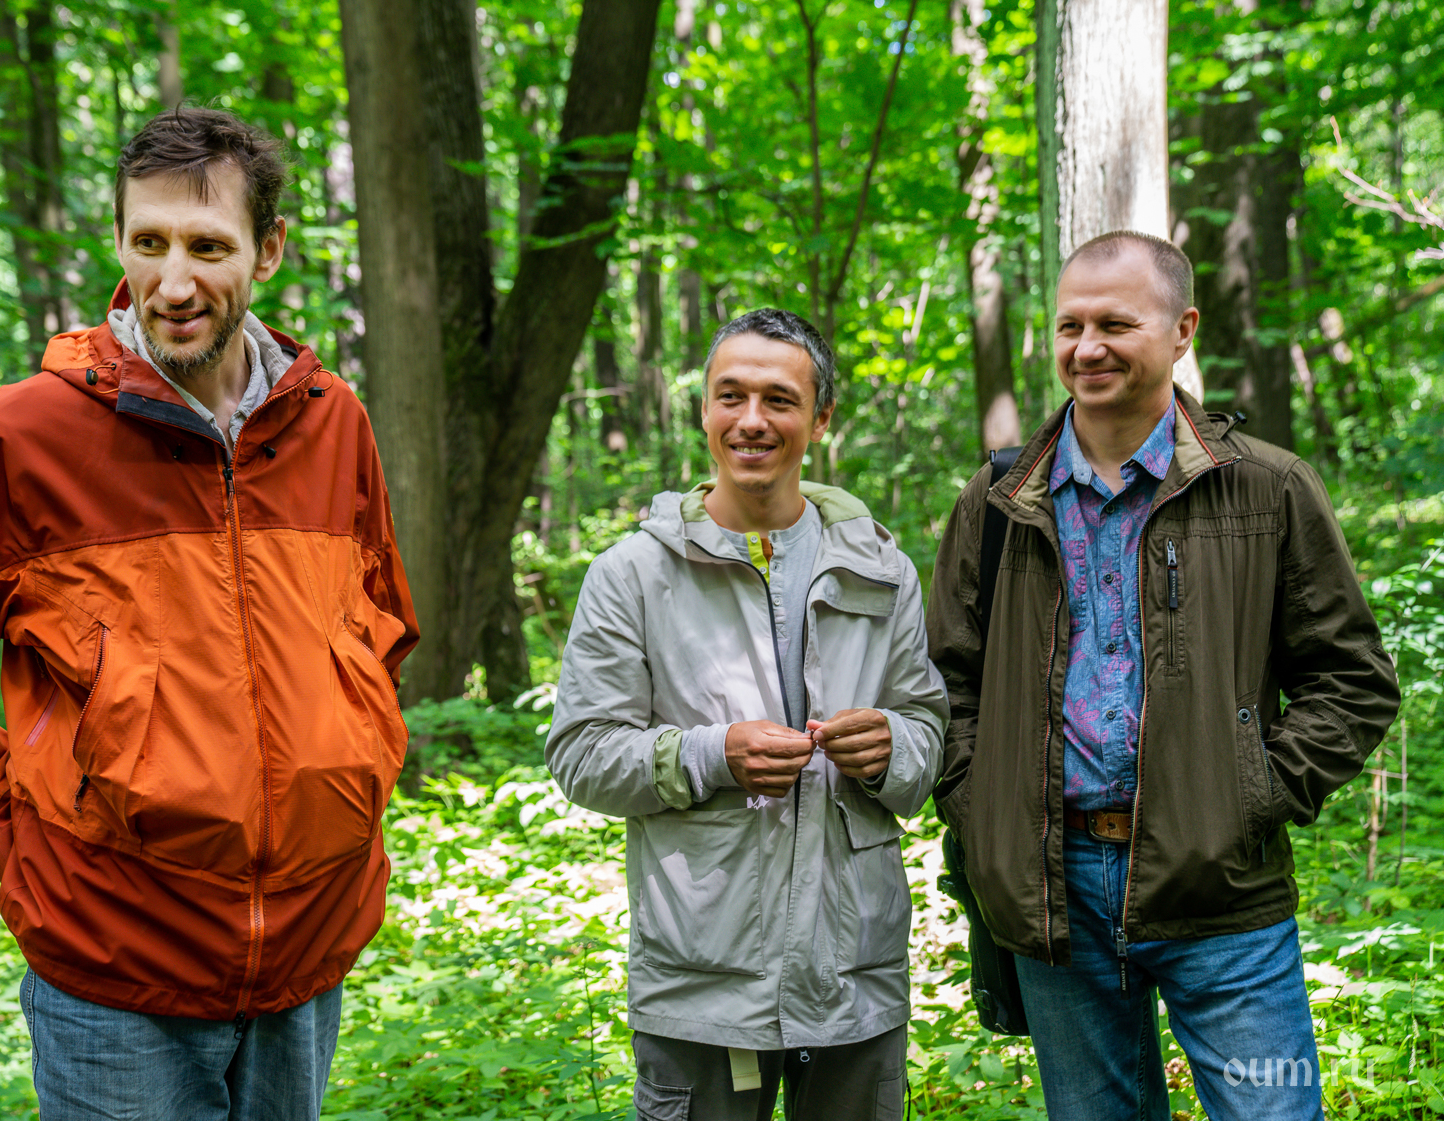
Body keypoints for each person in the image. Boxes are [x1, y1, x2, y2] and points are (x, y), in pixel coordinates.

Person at [0, 107, 418, 1120]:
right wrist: (8, 825)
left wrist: (348, 783)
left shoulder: (334, 423)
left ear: (268, 251)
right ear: (116, 241)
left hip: (307, 953)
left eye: (209, 247)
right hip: (113, 969)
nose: (175, 282)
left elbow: (379, 638)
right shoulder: (25, 435)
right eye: (148, 243)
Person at [928, 230, 1401, 1120]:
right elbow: (944, 684)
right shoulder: (995, 501)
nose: (1088, 347)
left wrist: (1251, 795)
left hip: (1223, 894)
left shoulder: (1266, 489)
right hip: (1053, 890)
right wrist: (981, 807)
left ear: (1182, 330)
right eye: (1071, 326)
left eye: (1116, 323)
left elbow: (1352, 679)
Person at [547, 308, 949, 1120]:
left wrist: (892, 748)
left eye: (779, 399)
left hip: (853, 973)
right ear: (704, 409)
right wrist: (711, 754)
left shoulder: (882, 570)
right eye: (730, 396)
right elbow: (581, 754)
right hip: (701, 978)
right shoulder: (633, 573)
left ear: (821, 418)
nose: (752, 420)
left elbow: (927, 731)